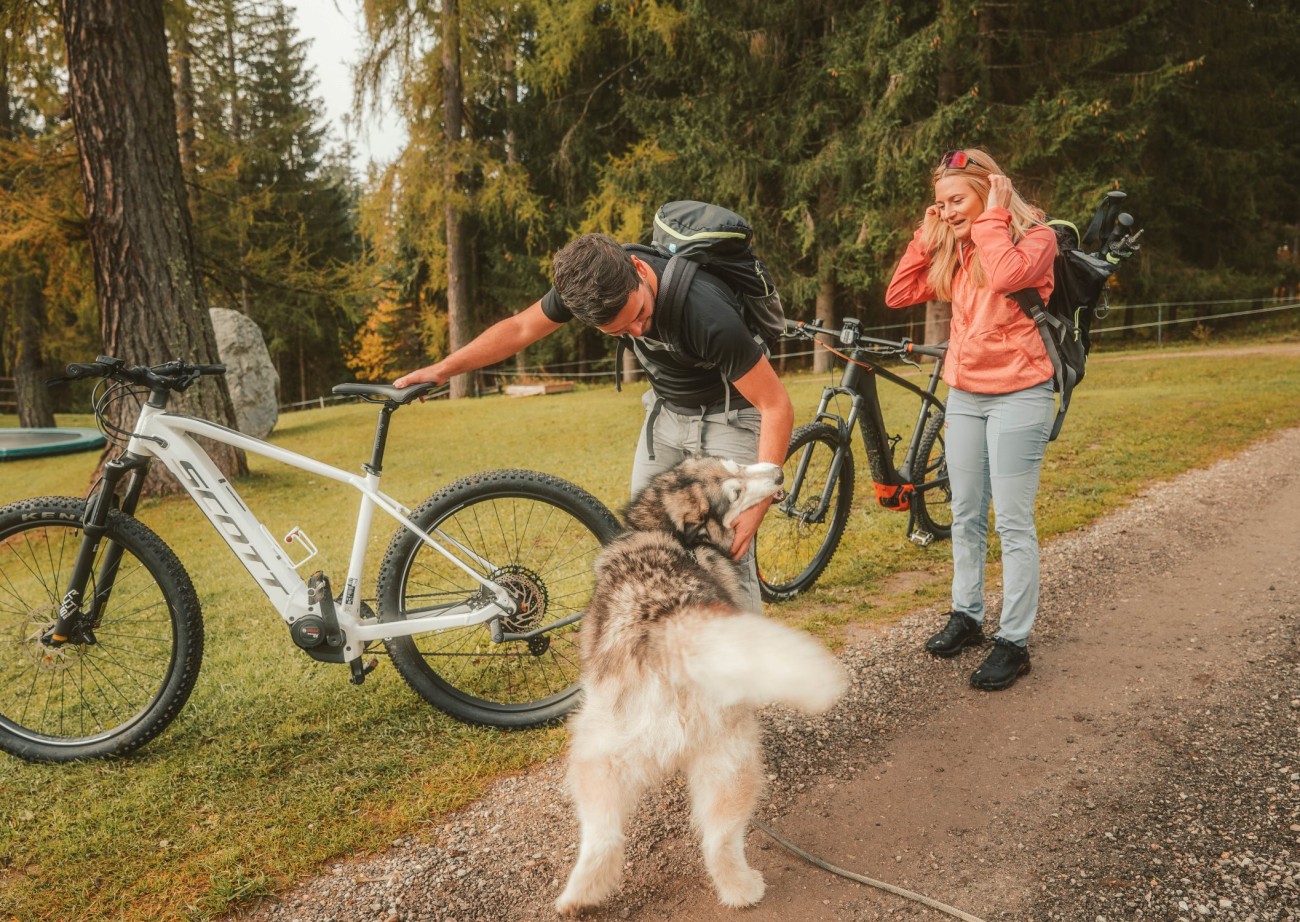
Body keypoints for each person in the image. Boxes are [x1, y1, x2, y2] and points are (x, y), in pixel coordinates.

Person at [394, 232, 794, 611]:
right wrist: (445, 368)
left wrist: (759, 501)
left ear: (638, 269)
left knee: (727, 556)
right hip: (667, 415)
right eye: (618, 331)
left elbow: (775, 404)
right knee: (647, 545)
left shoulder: (705, 313)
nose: (637, 330)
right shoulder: (587, 285)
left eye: (638, 314)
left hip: (732, 414)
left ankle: (743, 677)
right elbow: (519, 328)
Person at [885, 148, 1057, 691]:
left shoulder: (1037, 240)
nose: (948, 211)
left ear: (989, 191)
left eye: (956, 199)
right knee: (964, 511)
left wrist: (994, 217)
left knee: (1011, 521)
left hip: (1020, 394)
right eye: (940, 202)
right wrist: (925, 232)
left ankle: (1013, 642)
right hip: (966, 394)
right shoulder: (959, 251)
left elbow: (1007, 275)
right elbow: (899, 293)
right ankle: (966, 614)